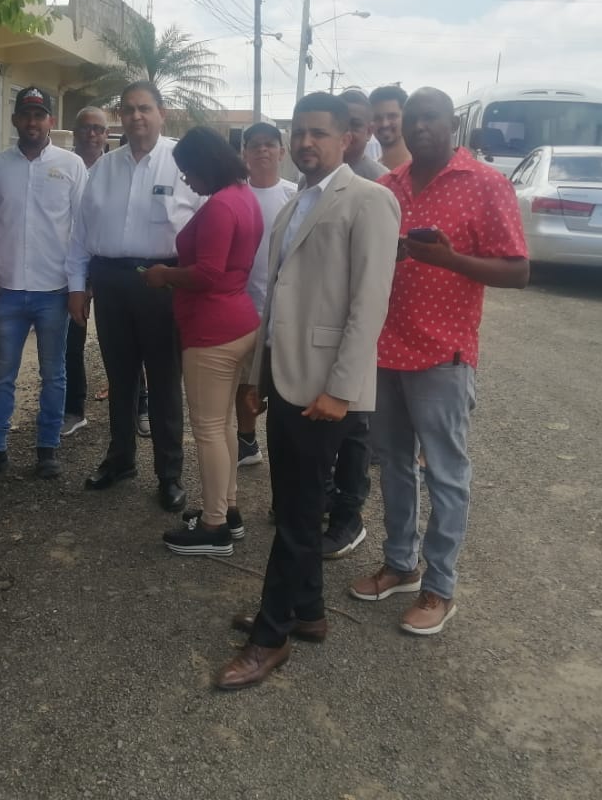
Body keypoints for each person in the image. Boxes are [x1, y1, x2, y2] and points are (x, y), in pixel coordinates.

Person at [213, 93, 400, 690]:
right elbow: (274, 299)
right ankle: (309, 612)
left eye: (318, 132)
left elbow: (369, 304)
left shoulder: (369, 200)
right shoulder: (295, 203)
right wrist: (257, 376)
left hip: (326, 389)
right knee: (293, 500)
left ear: (346, 138)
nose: (304, 142)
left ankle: (270, 637)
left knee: (297, 517)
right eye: (298, 132)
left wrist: (342, 390)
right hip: (287, 377)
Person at [349, 87, 528, 636]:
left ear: (453, 125)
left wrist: (450, 260)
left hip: (443, 356)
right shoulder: (388, 187)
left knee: (446, 475)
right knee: (394, 465)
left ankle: (440, 587)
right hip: (385, 350)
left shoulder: (486, 184)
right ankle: (400, 564)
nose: (419, 127)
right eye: (413, 119)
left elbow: (518, 270)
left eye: (431, 118)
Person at [67, 81, 199, 513]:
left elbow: (207, 227)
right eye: (128, 109)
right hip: (110, 281)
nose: (136, 116)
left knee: (164, 381)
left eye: (145, 108)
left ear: (162, 113)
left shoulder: (183, 164)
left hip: (162, 282)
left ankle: (169, 473)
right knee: (120, 377)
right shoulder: (104, 168)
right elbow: (81, 233)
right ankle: (120, 459)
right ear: (120, 117)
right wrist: (77, 286)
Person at [142, 127, 262, 556]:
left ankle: (214, 528)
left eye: (188, 171)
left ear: (205, 164)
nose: (187, 180)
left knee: (208, 429)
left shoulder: (221, 206)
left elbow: (208, 273)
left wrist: (164, 275)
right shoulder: (244, 196)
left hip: (212, 330)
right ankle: (227, 509)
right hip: (239, 321)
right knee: (223, 425)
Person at [0, 88, 87, 483]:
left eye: (40, 115)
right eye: (26, 115)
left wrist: (80, 285)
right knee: (2, 375)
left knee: (54, 374)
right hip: (9, 290)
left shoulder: (71, 165)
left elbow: (83, 228)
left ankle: (47, 449)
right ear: (15, 120)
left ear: (51, 121)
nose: (33, 122)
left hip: (55, 290)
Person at [317, 89, 393, 562]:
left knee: (355, 427)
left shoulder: (378, 182)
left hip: (363, 328)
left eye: (361, 125)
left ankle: (350, 516)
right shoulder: (316, 179)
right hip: (322, 329)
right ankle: (323, 499)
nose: (354, 132)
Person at [235, 122, 296, 469]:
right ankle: (247, 442)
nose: (262, 150)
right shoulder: (234, 194)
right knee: (246, 381)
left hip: (285, 308)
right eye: (254, 145)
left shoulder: (295, 196)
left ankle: (286, 448)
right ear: (244, 152)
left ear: (281, 152)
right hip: (244, 306)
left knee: (285, 382)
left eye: (269, 144)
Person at [62, 106, 110, 438]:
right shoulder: (63, 166)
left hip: (109, 266)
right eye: (85, 128)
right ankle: (73, 409)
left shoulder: (117, 168)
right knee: (72, 342)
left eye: (98, 129)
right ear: (74, 132)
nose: (91, 134)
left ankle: (139, 404)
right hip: (73, 267)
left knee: (123, 342)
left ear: (106, 135)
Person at [339, 89, 391, 181]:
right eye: (340, 123)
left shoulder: (383, 180)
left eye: (355, 125)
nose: (346, 133)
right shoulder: (314, 173)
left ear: (369, 132)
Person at [370, 85, 411, 170]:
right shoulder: (370, 172)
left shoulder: (423, 169)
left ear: (406, 118)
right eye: (377, 118)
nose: (384, 124)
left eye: (392, 116)